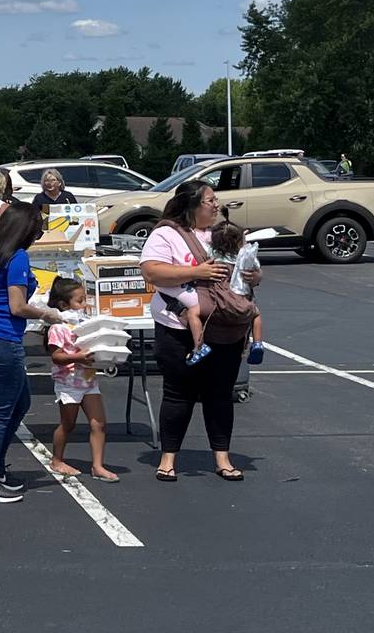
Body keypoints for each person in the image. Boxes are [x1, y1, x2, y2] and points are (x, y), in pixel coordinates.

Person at [140, 179, 259, 483]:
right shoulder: (166, 234)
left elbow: (249, 269)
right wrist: (197, 272)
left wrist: (255, 275)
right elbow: (152, 272)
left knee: (220, 394)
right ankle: (168, 459)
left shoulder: (226, 234)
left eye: (215, 200)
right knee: (178, 393)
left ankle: (222, 457)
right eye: (210, 200)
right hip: (177, 327)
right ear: (192, 205)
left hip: (225, 327)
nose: (216, 205)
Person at [0, 200, 64, 503]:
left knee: (20, 403)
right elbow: (17, 306)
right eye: (37, 229)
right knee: (0, 411)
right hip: (2, 337)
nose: (38, 235)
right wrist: (48, 315)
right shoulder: (17, 258)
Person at [44, 278, 118, 482]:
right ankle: (57, 459)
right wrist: (77, 357)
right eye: (80, 301)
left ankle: (98, 465)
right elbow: (56, 356)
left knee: (99, 423)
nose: (84, 305)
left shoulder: (85, 324)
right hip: (68, 383)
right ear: (63, 305)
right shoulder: (58, 327)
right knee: (68, 424)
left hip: (88, 380)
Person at [211, 220, 265, 364]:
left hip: (220, 303)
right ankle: (258, 343)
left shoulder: (213, 259)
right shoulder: (244, 258)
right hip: (242, 300)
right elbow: (256, 268)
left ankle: (199, 344)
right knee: (256, 314)